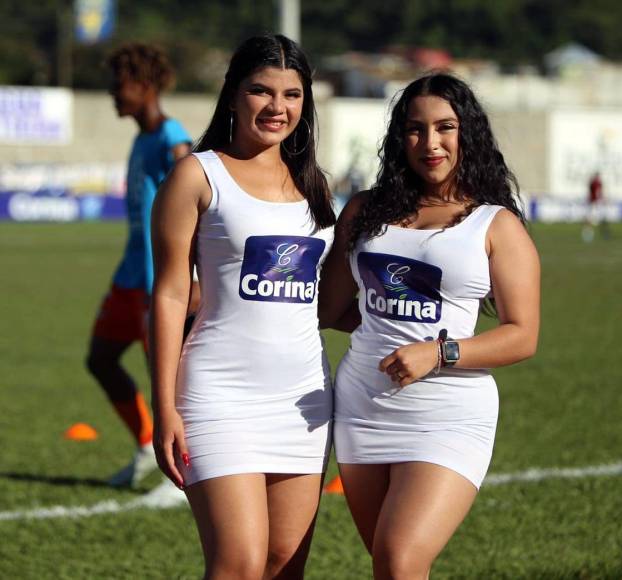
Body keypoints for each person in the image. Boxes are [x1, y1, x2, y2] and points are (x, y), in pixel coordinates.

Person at [318, 73, 540, 579]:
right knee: (388, 566)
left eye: (446, 127)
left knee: (400, 559)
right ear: (400, 138)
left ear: (468, 135)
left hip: (448, 415)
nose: (430, 143)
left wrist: (437, 353)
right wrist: (383, 327)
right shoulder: (364, 211)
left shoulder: (494, 224)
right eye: (415, 129)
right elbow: (329, 308)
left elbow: (523, 333)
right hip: (363, 409)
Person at [149, 35, 336, 579]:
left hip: (303, 403)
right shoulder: (196, 175)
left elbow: (328, 297)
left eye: (292, 95)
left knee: (284, 565)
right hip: (219, 396)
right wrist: (165, 407)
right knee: (238, 563)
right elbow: (168, 295)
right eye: (261, 90)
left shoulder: (315, 187)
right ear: (233, 95)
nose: (278, 107)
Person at [85, 43, 193, 488]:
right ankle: (148, 445)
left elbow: (197, 202)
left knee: (169, 381)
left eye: (119, 84)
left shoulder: (172, 138)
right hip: (130, 277)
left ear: (144, 86)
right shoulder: (142, 136)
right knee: (100, 359)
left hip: (158, 283)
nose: (112, 93)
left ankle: (184, 473)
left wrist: (193, 277)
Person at [582, 170, 609, 242]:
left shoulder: (595, 183)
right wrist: (602, 200)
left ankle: (603, 233)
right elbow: (598, 193)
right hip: (594, 203)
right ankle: (588, 234)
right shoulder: (596, 183)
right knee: (591, 219)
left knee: (597, 218)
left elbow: (598, 193)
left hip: (595, 202)